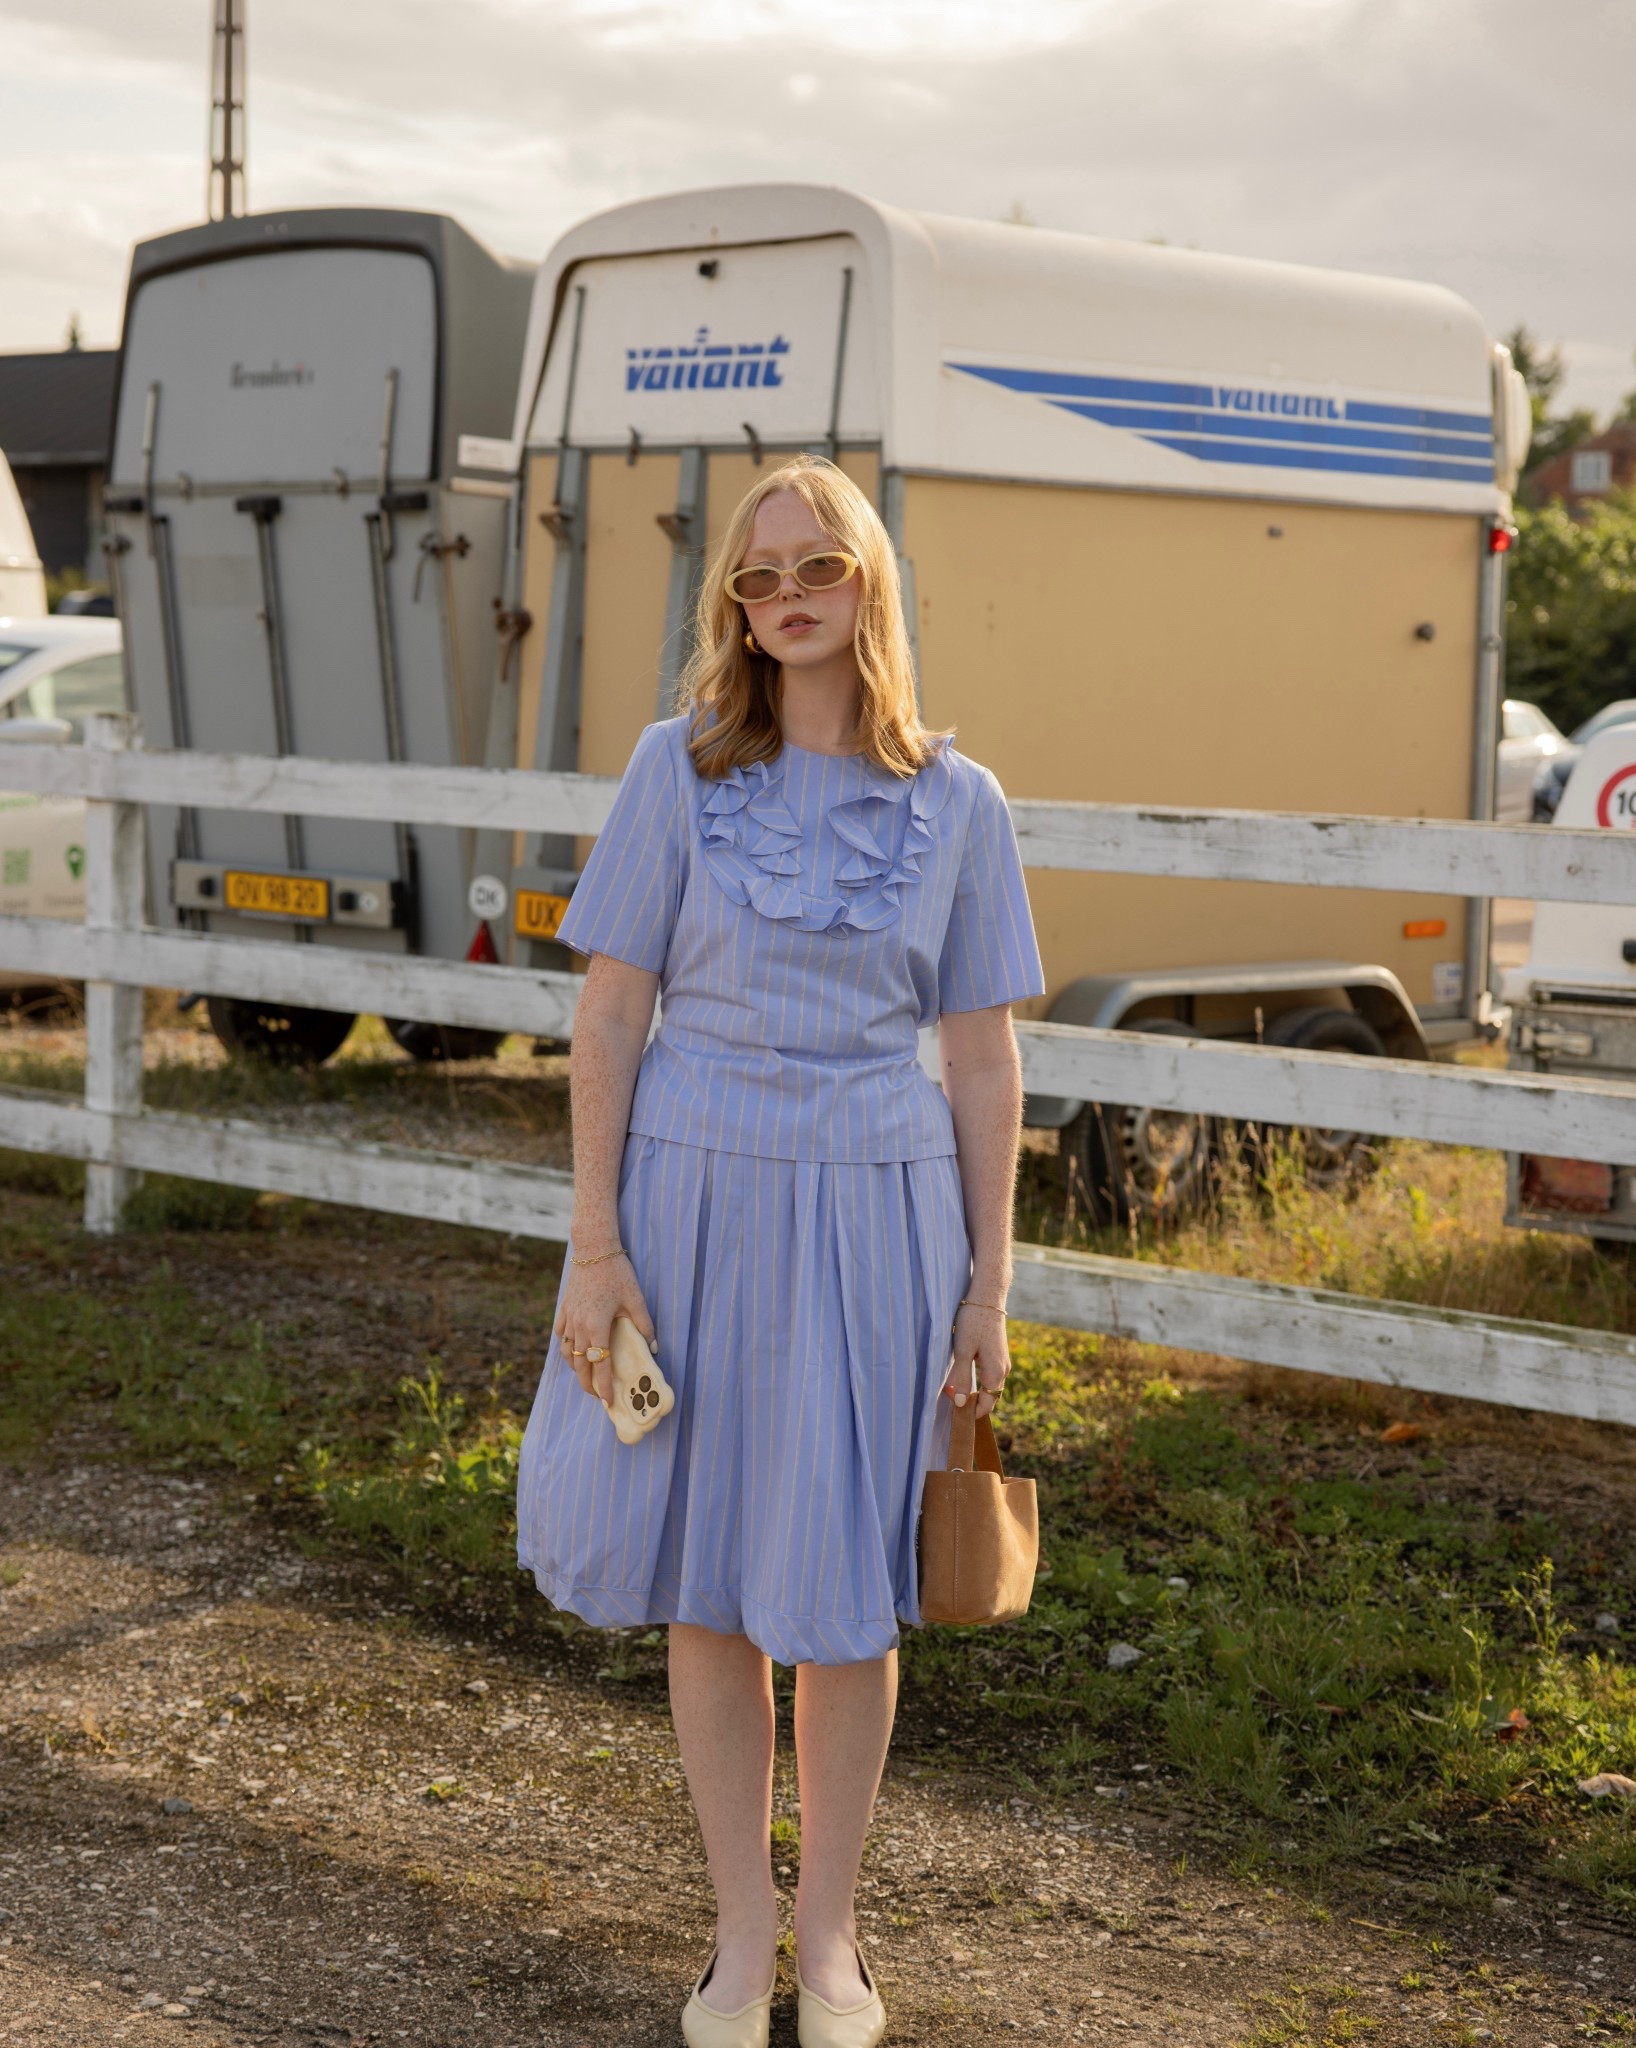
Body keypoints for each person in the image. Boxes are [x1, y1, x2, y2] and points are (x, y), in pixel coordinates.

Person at [516, 454, 1045, 2048]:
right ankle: (739, 1941)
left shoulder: (960, 803)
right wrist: (594, 1245)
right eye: (760, 577)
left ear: (870, 584)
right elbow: (609, 1011)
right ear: (733, 608)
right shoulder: (673, 772)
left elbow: (987, 1057)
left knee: (847, 1597)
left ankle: (834, 1944)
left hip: (882, 1216)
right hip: (690, 1206)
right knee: (716, 1585)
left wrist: (992, 1280)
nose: (790, 596)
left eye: (819, 566)